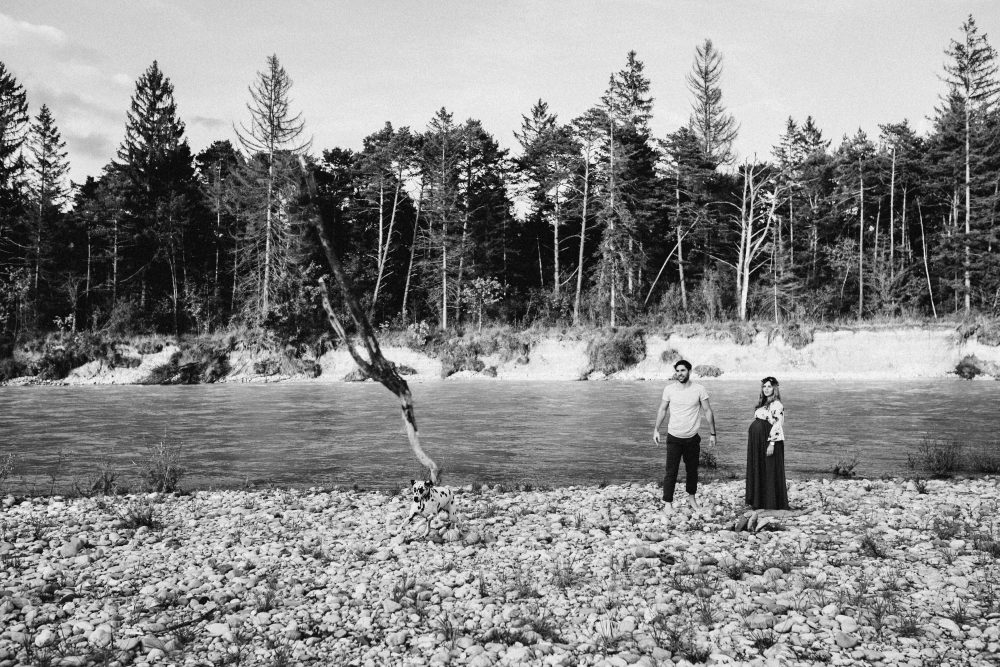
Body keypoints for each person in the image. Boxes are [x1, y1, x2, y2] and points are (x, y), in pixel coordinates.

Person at [653, 359, 716, 514]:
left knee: (692, 470)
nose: (680, 373)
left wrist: (713, 433)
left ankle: (692, 499)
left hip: (692, 438)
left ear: (689, 371)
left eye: (683, 370)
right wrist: (656, 429)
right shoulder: (669, 389)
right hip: (674, 437)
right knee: (671, 471)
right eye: (678, 371)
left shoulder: (699, 389)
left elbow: (708, 411)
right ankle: (668, 503)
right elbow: (662, 410)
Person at [745, 376, 789, 510]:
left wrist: (772, 444)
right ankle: (759, 501)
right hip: (757, 441)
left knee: (769, 469)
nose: (766, 389)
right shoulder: (763, 403)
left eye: (769, 386)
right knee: (759, 467)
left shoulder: (777, 404)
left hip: (768, 440)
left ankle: (771, 503)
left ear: (774, 388)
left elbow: (777, 425)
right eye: (764, 386)